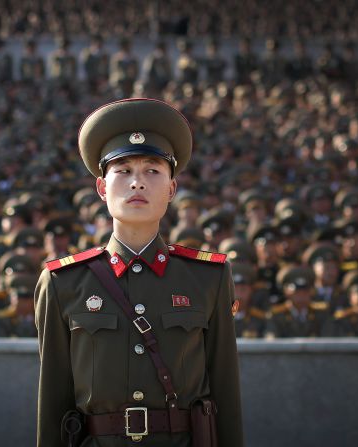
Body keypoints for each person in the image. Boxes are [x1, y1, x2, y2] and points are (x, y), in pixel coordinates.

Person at [35, 98, 243, 446]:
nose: (137, 183)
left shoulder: (208, 278)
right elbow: (53, 403)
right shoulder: (63, 283)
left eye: (152, 170)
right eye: (123, 170)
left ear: (171, 189)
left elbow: (226, 395)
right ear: (102, 188)